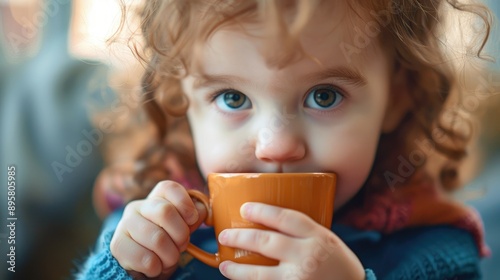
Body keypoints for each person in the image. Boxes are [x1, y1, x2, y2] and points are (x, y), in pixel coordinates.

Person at [77, 0, 495, 279]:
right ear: (180, 99)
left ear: (397, 98)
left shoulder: (436, 250)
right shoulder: (153, 226)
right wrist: (126, 269)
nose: (275, 146)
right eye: (233, 97)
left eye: (324, 96)